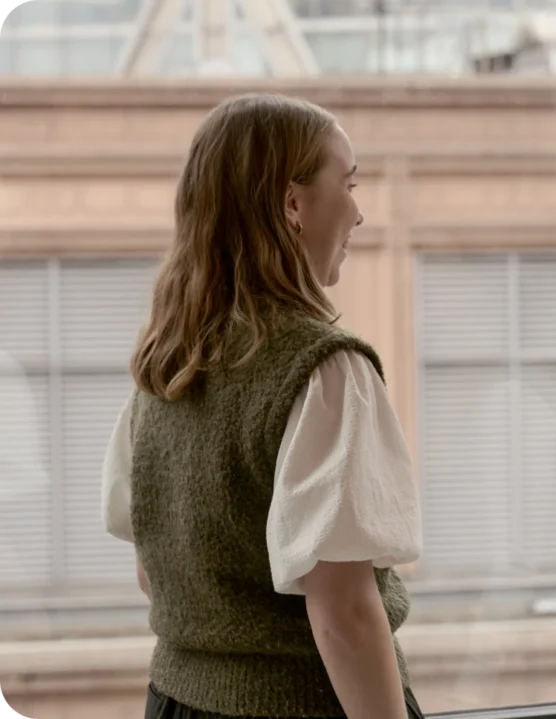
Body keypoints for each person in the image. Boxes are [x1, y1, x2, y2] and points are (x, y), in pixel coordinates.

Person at [99, 93, 423, 719]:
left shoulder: (165, 367)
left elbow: (153, 574)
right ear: (292, 203)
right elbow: (347, 615)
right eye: (348, 184)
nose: (357, 213)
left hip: (174, 701)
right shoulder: (325, 371)